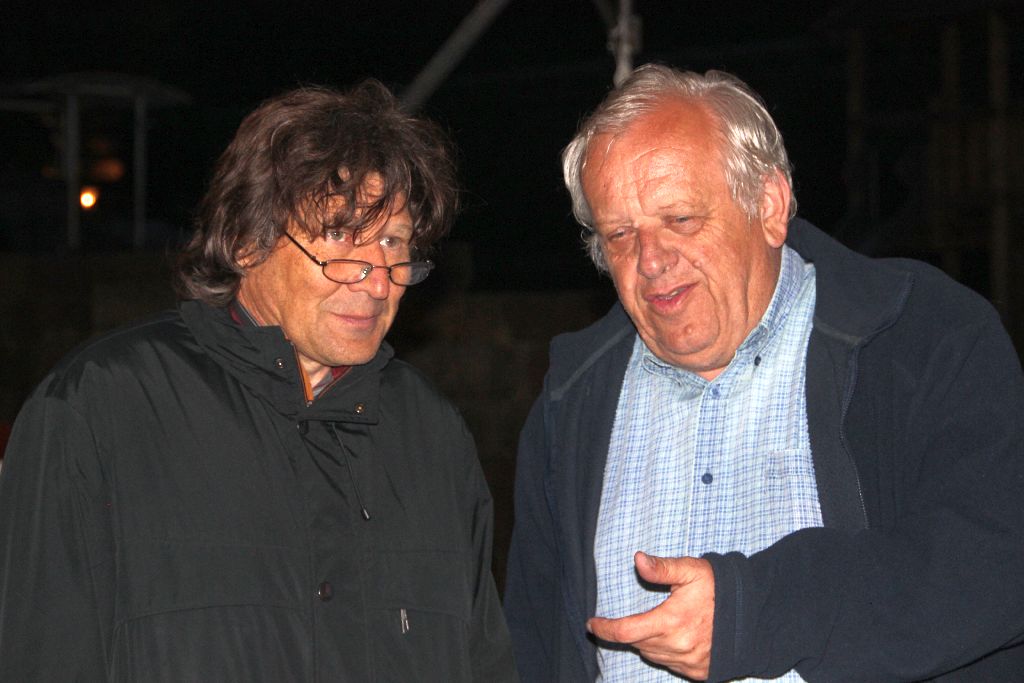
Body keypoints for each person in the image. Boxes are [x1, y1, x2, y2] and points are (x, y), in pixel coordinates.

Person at [503, 64, 1024, 682]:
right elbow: (532, 646)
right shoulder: (571, 402)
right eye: (620, 234)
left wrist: (759, 612)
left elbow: (995, 562)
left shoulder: (922, 338)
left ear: (770, 206)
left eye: (681, 219)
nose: (651, 260)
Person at [0, 81, 517, 682]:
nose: (379, 281)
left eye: (393, 242)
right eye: (339, 237)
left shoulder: (431, 436)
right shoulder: (101, 411)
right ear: (247, 241)